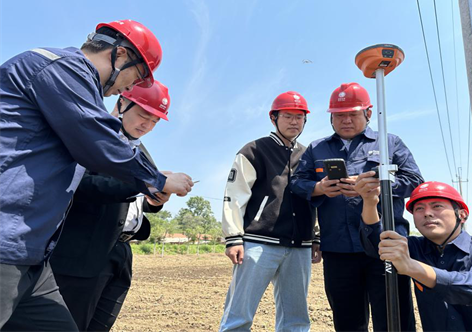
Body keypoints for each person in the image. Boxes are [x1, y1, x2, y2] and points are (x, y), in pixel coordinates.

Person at [0, 20, 193, 331]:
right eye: (136, 76)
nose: (130, 86)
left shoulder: (77, 90)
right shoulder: (62, 68)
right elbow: (99, 146)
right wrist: (157, 179)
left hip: (33, 256)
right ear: (119, 54)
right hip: (6, 240)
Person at [290, 82, 423, 332]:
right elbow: (296, 183)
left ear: (368, 114)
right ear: (331, 117)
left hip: (386, 245)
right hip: (338, 249)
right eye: (339, 115)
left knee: (395, 319)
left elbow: (415, 181)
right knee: (347, 321)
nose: (346, 120)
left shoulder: (390, 143)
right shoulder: (317, 148)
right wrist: (319, 188)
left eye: (353, 113)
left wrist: (378, 186)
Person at [50, 81, 172, 331]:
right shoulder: (93, 137)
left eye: (154, 121)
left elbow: (132, 197)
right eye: (142, 115)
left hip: (121, 252)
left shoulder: (141, 151)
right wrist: (148, 181)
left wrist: (154, 200)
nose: (146, 126)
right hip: (83, 252)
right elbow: (82, 186)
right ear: (122, 102)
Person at [219, 92, 318, 332]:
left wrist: (315, 236)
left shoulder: (309, 155)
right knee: (239, 316)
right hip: (257, 243)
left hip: (299, 246)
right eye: (288, 116)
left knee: (296, 319)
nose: (294, 122)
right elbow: (234, 195)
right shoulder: (254, 150)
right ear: (273, 118)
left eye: (300, 117)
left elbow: (315, 198)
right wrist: (233, 237)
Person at [356, 178, 472, 332]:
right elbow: (376, 244)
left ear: (462, 215)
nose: (427, 214)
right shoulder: (415, 248)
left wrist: (412, 267)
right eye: (419, 209)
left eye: (437, 206)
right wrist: (370, 202)